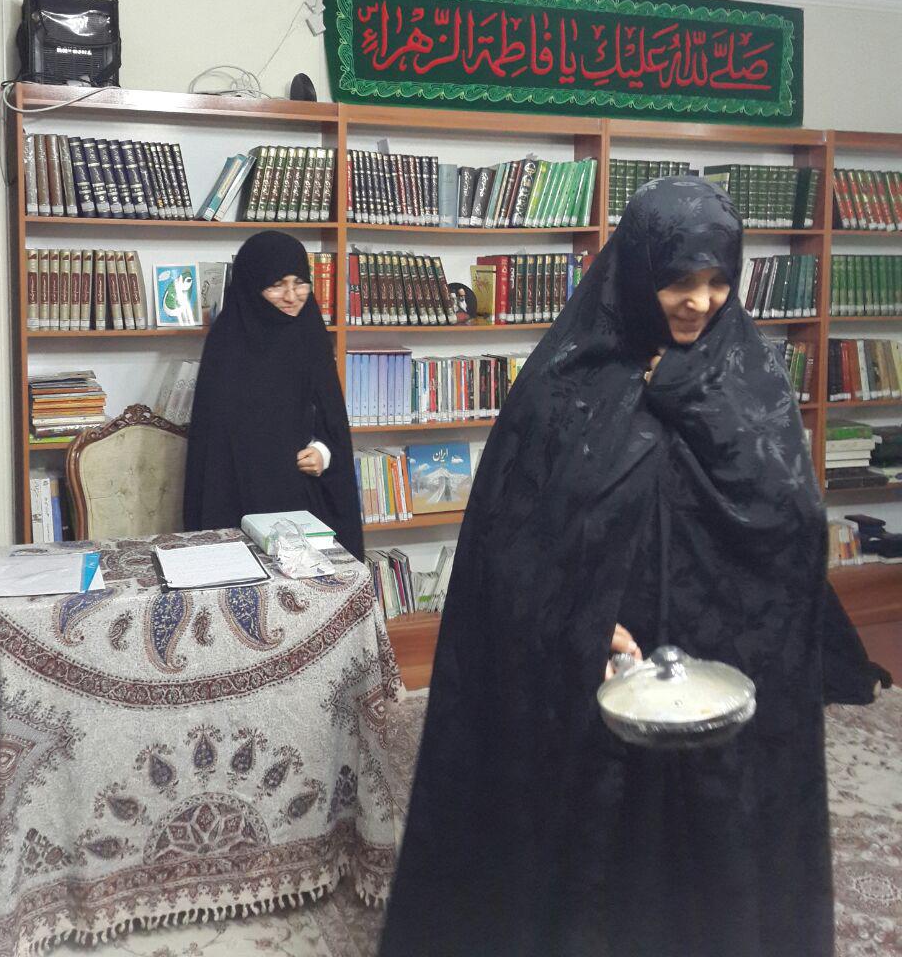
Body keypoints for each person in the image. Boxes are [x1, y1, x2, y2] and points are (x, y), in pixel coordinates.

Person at [380, 175, 848, 957]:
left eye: (718, 280)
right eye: (678, 280)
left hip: (719, 666)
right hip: (597, 666)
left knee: (706, 861)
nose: (700, 301)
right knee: (594, 862)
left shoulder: (746, 375)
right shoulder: (568, 381)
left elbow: (791, 525)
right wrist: (585, 619)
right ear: (636, 272)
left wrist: (691, 399)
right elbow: (515, 545)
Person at [183, 230, 363, 560]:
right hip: (238, 498)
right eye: (277, 285)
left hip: (303, 497)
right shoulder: (226, 341)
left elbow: (332, 420)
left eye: (300, 283)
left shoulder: (310, 333)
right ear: (252, 285)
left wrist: (323, 452)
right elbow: (212, 443)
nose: (292, 296)